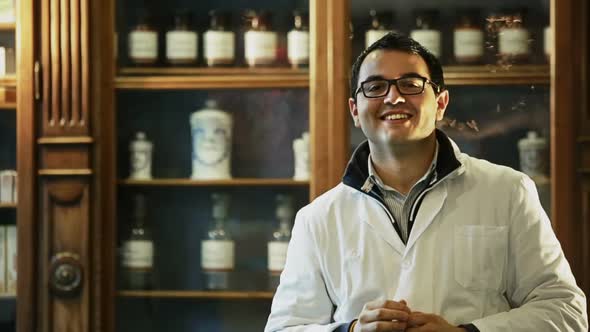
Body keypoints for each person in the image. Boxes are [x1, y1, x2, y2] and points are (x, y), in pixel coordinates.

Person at [265, 32, 588, 332]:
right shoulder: (318, 217)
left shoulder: (506, 190)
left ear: (441, 103)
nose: (393, 97)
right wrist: (350, 330)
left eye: (411, 84)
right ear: (355, 109)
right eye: (375, 87)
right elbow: (285, 327)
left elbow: (566, 311)